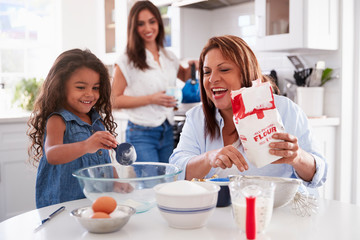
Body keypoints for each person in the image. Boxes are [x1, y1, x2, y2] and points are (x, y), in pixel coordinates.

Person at [170, 35, 327, 191]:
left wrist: (297, 157)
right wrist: (207, 158)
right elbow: (176, 171)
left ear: (246, 72)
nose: (212, 79)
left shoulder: (285, 109)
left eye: (224, 69)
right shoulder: (198, 117)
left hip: (278, 211)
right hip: (220, 211)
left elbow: (319, 174)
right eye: (206, 72)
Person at [28, 49, 118, 208]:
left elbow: (104, 158)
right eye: (81, 87)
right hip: (63, 205)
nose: (90, 94)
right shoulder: (58, 120)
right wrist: (86, 145)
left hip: (95, 202)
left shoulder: (96, 120)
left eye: (95, 88)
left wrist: (116, 182)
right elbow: (52, 154)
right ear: (61, 87)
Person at [111, 0, 196, 164]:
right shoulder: (126, 60)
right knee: (150, 183)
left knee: (168, 183)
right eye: (141, 24)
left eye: (152, 22)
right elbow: (114, 100)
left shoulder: (168, 56)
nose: (148, 28)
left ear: (159, 22)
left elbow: (184, 76)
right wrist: (152, 98)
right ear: (133, 28)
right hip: (141, 132)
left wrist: (193, 68)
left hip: (167, 129)